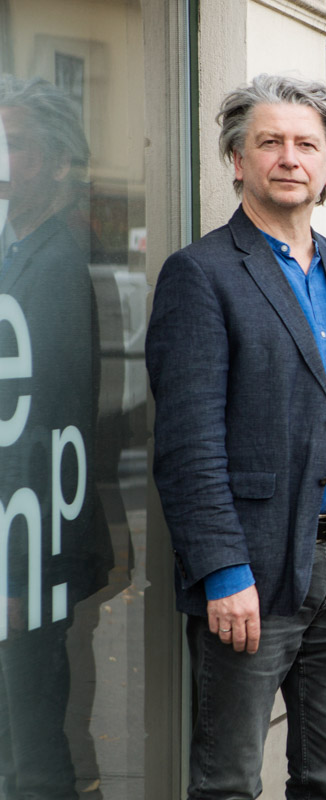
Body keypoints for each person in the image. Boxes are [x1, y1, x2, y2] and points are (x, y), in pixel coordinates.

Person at [145, 74, 326, 799]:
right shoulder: (200, 274)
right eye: (270, 143)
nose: (289, 158)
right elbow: (188, 447)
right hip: (253, 572)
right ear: (238, 161)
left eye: (306, 144)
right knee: (229, 781)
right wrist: (223, 571)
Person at [0, 74, 114, 800]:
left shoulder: (56, 265)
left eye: (13, 145)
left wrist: (20, 578)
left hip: (32, 546)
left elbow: (47, 427)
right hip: (21, 542)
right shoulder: (19, 252)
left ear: (53, 162)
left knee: (34, 749)